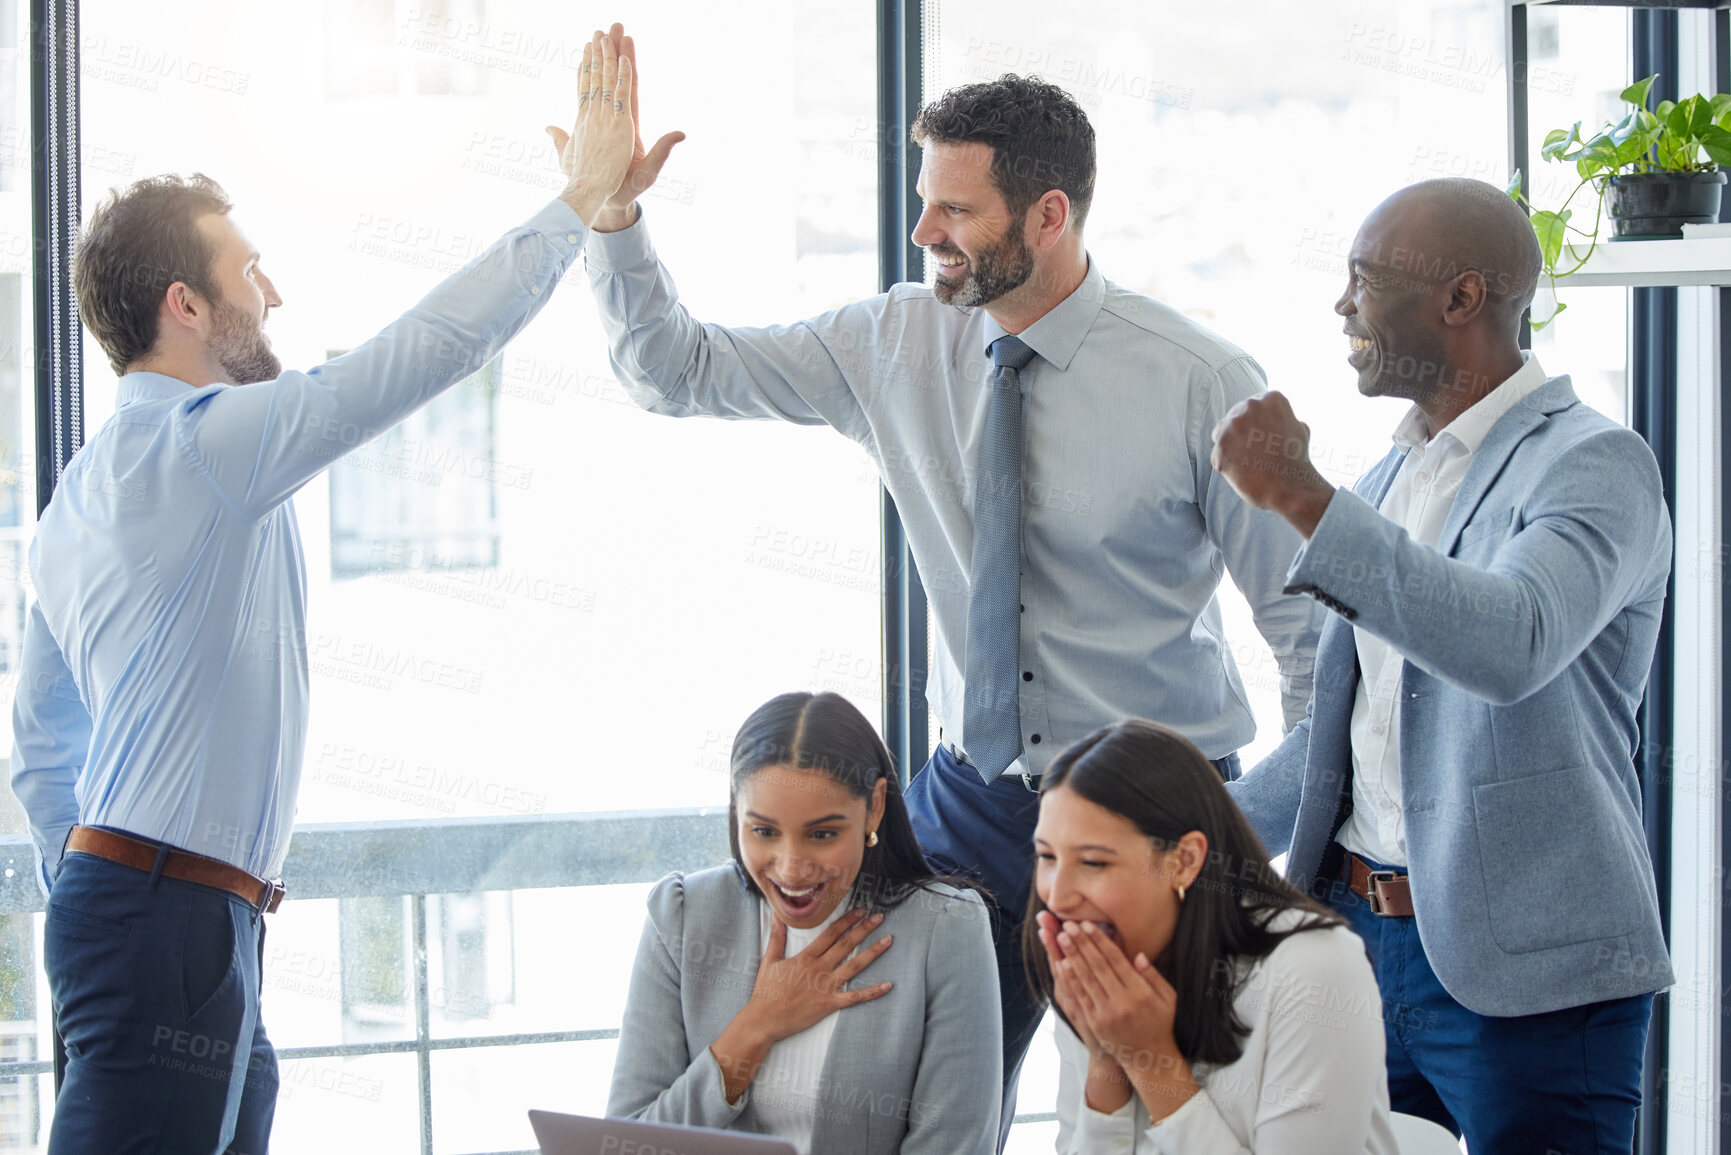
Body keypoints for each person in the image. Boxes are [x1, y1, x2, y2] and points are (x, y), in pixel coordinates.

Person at [573, 24, 1323, 1129]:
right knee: (896, 1105)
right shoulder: (894, 341)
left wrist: (1230, 845)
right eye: (928, 201)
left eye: (957, 212)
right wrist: (612, 219)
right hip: (971, 811)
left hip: (1154, 822)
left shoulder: (1199, 381)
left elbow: (1313, 650)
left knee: (1152, 1120)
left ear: (1050, 215)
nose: (925, 231)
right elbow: (672, 369)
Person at [8, 34, 640, 1154]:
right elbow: (420, 354)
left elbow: (40, 749)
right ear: (185, 307)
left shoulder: (76, 499)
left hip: (175, 912)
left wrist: (96, 879)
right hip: (172, 910)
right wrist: (575, 206)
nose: (276, 291)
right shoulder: (210, 442)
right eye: (250, 270)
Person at [1213, 177, 1671, 1153]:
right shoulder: (1389, 479)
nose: (1342, 305)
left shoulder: (1597, 465)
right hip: (1359, 944)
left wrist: (1299, 494)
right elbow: (1350, 732)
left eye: (1365, 280)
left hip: (1531, 975)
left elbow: (1509, 643)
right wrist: (1182, 827)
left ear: (1462, 299)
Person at [607, 691, 999, 1155]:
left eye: (822, 834)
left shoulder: (946, 929)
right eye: (764, 831)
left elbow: (954, 1144)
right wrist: (758, 1025)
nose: (791, 870)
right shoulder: (683, 916)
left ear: (874, 807)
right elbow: (624, 1145)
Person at [1029, 718, 1395, 1153]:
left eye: (1093, 863)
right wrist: (1105, 1062)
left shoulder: (1315, 968)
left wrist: (1152, 1062)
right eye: (1046, 856)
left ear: (1184, 860)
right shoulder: (1092, 962)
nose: (1059, 896)